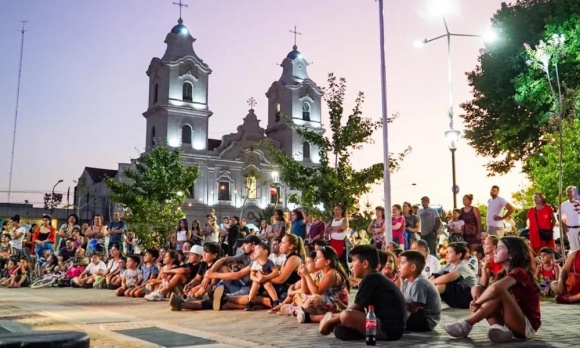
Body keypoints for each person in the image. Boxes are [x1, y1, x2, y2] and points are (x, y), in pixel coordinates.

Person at [444, 236, 540, 343]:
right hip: (508, 321)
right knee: (476, 289)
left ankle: (467, 324)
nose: (494, 251)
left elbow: (495, 289)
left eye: (499, 248)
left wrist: (478, 302)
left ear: (512, 254)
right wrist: (484, 268)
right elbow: (484, 287)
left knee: (499, 291)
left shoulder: (520, 272)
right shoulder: (502, 274)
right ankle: (498, 328)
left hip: (525, 326)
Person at [318, 245, 405, 341]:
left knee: (346, 315)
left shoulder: (372, 278)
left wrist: (331, 321)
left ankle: (332, 319)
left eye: (354, 261)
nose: (351, 266)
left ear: (365, 264)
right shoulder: (373, 277)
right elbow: (359, 309)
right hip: (384, 326)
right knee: (340, 330)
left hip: (387, 329)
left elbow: (354, 309)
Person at [294, 246, 350, 324]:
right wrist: (303, 276)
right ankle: (301, 311)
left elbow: (317, 292)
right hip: (323, 303)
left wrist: (307, 275)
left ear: (327, 262)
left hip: (337, 304)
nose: (315, 260)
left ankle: (300, 312)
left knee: (314, 298)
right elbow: (305, 291)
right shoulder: (320, 273)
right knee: (299, 296)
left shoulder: (332, 273)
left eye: (318, 258)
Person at [399, 250, 441, 332]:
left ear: (413, 267)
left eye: (402, 263)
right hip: (415, 315)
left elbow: (414, 309)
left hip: (426, 321)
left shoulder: (419, 282)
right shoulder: (406, 281)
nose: (399, 266)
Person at [430, 242, 476, 309]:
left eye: (450, 252)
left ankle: (423, 302)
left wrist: (429, 283)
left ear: (459, 255)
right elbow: (435, 276)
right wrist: (427, 283)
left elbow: (447, 278)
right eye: (447, 252)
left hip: (467, 299)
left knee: (443, 283)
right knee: (437, 276)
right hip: (456, 297)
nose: (447, 254)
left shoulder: (462, 267)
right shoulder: (448, 265)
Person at [245, 242, 280, 311]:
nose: (255, 251)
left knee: (268, 284)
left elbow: (276, 272)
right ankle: (250, 302)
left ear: (265, 252)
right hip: (257, 280)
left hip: (266, 280)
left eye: (257, 249)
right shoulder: (255, 263)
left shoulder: (269, 262)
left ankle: (275, 301)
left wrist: (266, 277)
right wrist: (257, 279)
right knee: (255, 285)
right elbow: (252, 275)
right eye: (254, 249)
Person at [326, 205, 348, 269]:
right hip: (332, 242)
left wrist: (332, 228)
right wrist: (336, 229)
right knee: (333, 258)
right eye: (334, 209)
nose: (336, 211)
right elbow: (327, 229)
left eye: (337, 209)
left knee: (343, 261)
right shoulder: (332, 220)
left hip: (341, 242)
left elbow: (342, 228)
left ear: (341, 210)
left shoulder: (344, 220)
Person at [561, 186, 580, 252]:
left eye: (570, 191)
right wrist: (563, 225)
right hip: (570, 230)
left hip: (579, 228)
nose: (568, 193)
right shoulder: (564, 204)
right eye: (567, 192)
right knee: (574, 250)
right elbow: (558, 214)